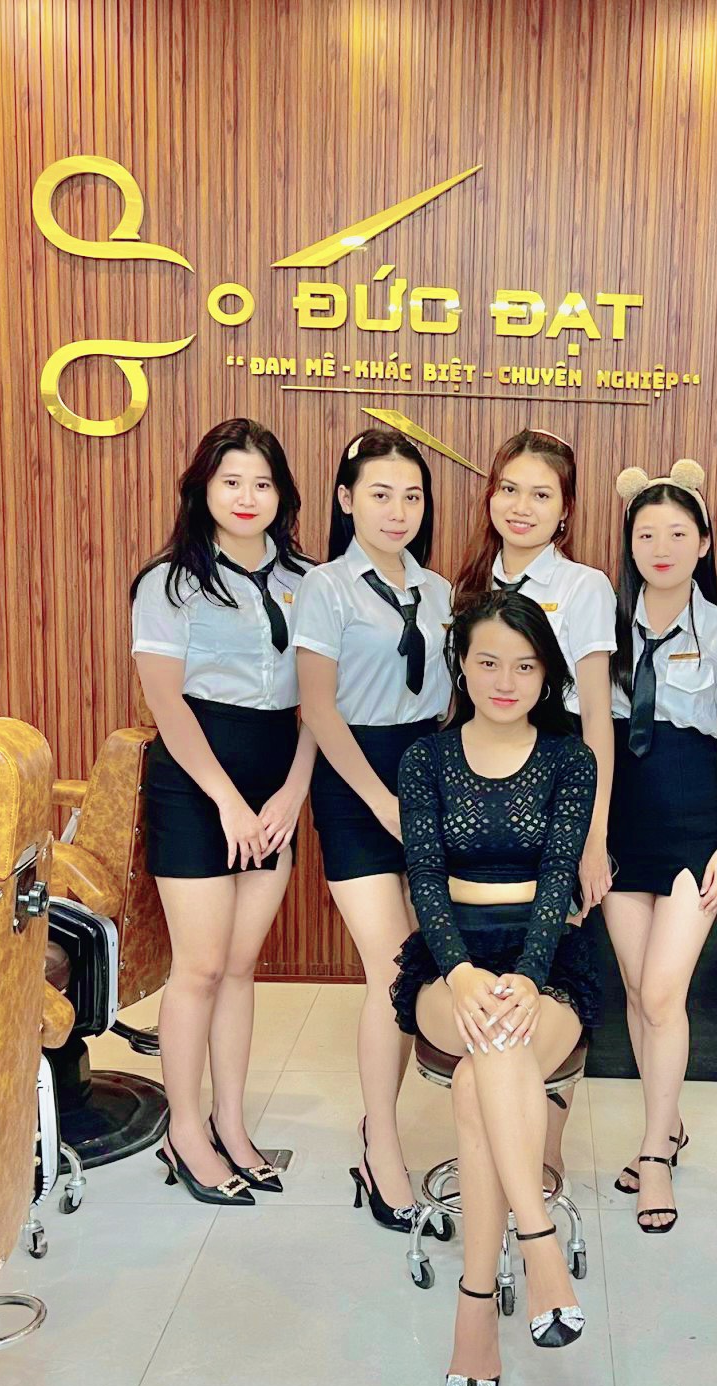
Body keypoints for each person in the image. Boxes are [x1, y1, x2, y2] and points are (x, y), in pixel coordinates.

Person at [390, 591, 600, 1386]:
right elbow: (423, 879)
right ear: (462, 665)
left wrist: (529, 974)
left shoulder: (570, 758)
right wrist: (463, 973)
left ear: (546, 674)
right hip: (449, 962)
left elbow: (557, 879)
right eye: (488, 662)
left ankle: (475, 1308)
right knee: (491, 1046)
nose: (506, 680)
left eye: (524, 665)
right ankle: (539, 1247)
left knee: (490, 1068)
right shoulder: (425, 759)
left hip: (547, 959)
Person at [130, 418, 317, 1205]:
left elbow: (322, 704)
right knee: (201, 967)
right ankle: (185, 1132)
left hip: (277, 781)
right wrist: (230, 802)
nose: (247, 497)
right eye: (232, 481)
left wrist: (292, 793)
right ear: (202, 488)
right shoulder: (168, 583)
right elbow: (167, 705)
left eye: (262, 483)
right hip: (195, 782)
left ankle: (233, 1126)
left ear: (282, 495)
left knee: (242, 968)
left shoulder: (310, 583)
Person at [293, 427, 454, 1236]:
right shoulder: (324, 588)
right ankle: (380, 1146)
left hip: (429, 773)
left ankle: (384, 1130)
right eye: (380, 494)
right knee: (391, 968)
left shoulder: (439, 590)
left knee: (423, 961)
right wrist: (384, 800)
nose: (398, 511)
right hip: (356, 781)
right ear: (346, 499)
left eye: (412, 496)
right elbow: (318, 709)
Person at [451, 429, 618, 1181]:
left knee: (549, 971)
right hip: (476, 794)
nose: (522, 506)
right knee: (480, 976)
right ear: (490, 496)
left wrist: (594, 837)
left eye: (541, 494)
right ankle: (493, 1147)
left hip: (558, 792)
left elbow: (596, 718)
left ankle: (543, 1150)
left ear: (566, 510)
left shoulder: (584, 587)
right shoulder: (464, 584)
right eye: (510, 489)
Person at [602, 460, 717, 1234]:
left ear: (704, 543)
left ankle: (655, 1153)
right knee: (636, 991)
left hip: (695, 827)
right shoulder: (604, 630)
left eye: (677, 534)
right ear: (629, 543)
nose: (660, 548)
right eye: (646, 534)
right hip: (621, 826)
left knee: (663, 994)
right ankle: (669, 1124)